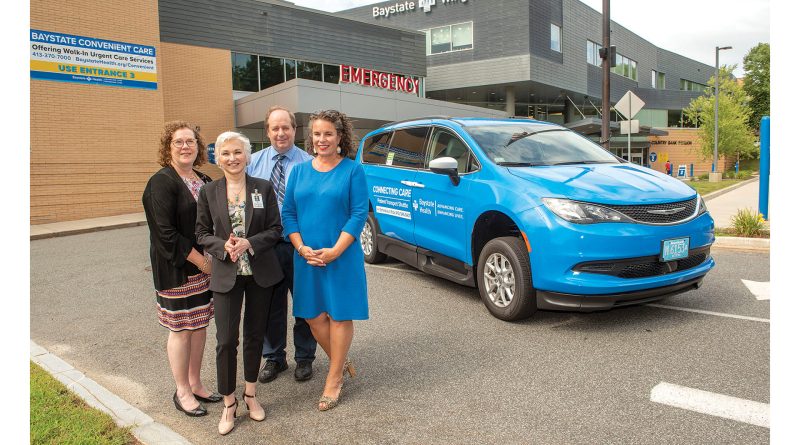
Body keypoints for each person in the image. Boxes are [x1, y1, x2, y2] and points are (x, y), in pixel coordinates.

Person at [195, 131, 284, 435]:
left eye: (238, 152)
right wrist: (224, 246)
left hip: (259, 274)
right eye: (225, 153)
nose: (232, 158)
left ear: (248, 156)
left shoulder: (263, 187)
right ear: (216, 158)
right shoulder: (209, 192)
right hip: (226, 275)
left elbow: (275, 229)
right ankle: (229, 404)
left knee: (254, 336)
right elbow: (201, 234)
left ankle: (250, 395)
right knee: (225, 341)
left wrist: (249, 242)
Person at [281, 109, 369, 411]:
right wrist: (301, 247)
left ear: (340, 137)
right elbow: (288, 214)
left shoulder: (353, 171)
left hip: (341, 256)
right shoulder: (299, 171)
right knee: (313, 316)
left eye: (328, 133)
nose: (322, 139)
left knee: (339, 315)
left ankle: (333, 380)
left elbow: (358, 215)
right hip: (306, 257)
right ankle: (341, 361)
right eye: (317, 134)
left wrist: (335, 250)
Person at [142, 121, 221, 418]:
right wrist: (202, 262)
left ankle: (196, 383)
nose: (186, 146)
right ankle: (182, 391)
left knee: (199, 326)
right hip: (178, 269)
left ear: (199, 147)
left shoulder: (203, 179)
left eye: (190, 141)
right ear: (168, 147)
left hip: (205, 269)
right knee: (181, 330)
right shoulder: (161, 182)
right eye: (178, 142)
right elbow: (165, 233)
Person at [246, 106, 317, 383]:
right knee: (270, 305)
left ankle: (304, 358)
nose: (280, 133)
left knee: (303, 303)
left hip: (299, 245)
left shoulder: (308, 164)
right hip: (266, 247)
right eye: (274, 128)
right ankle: (274, 358)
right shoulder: (253, 163)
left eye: (285, 127)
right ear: (267, 131)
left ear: (294, 130)